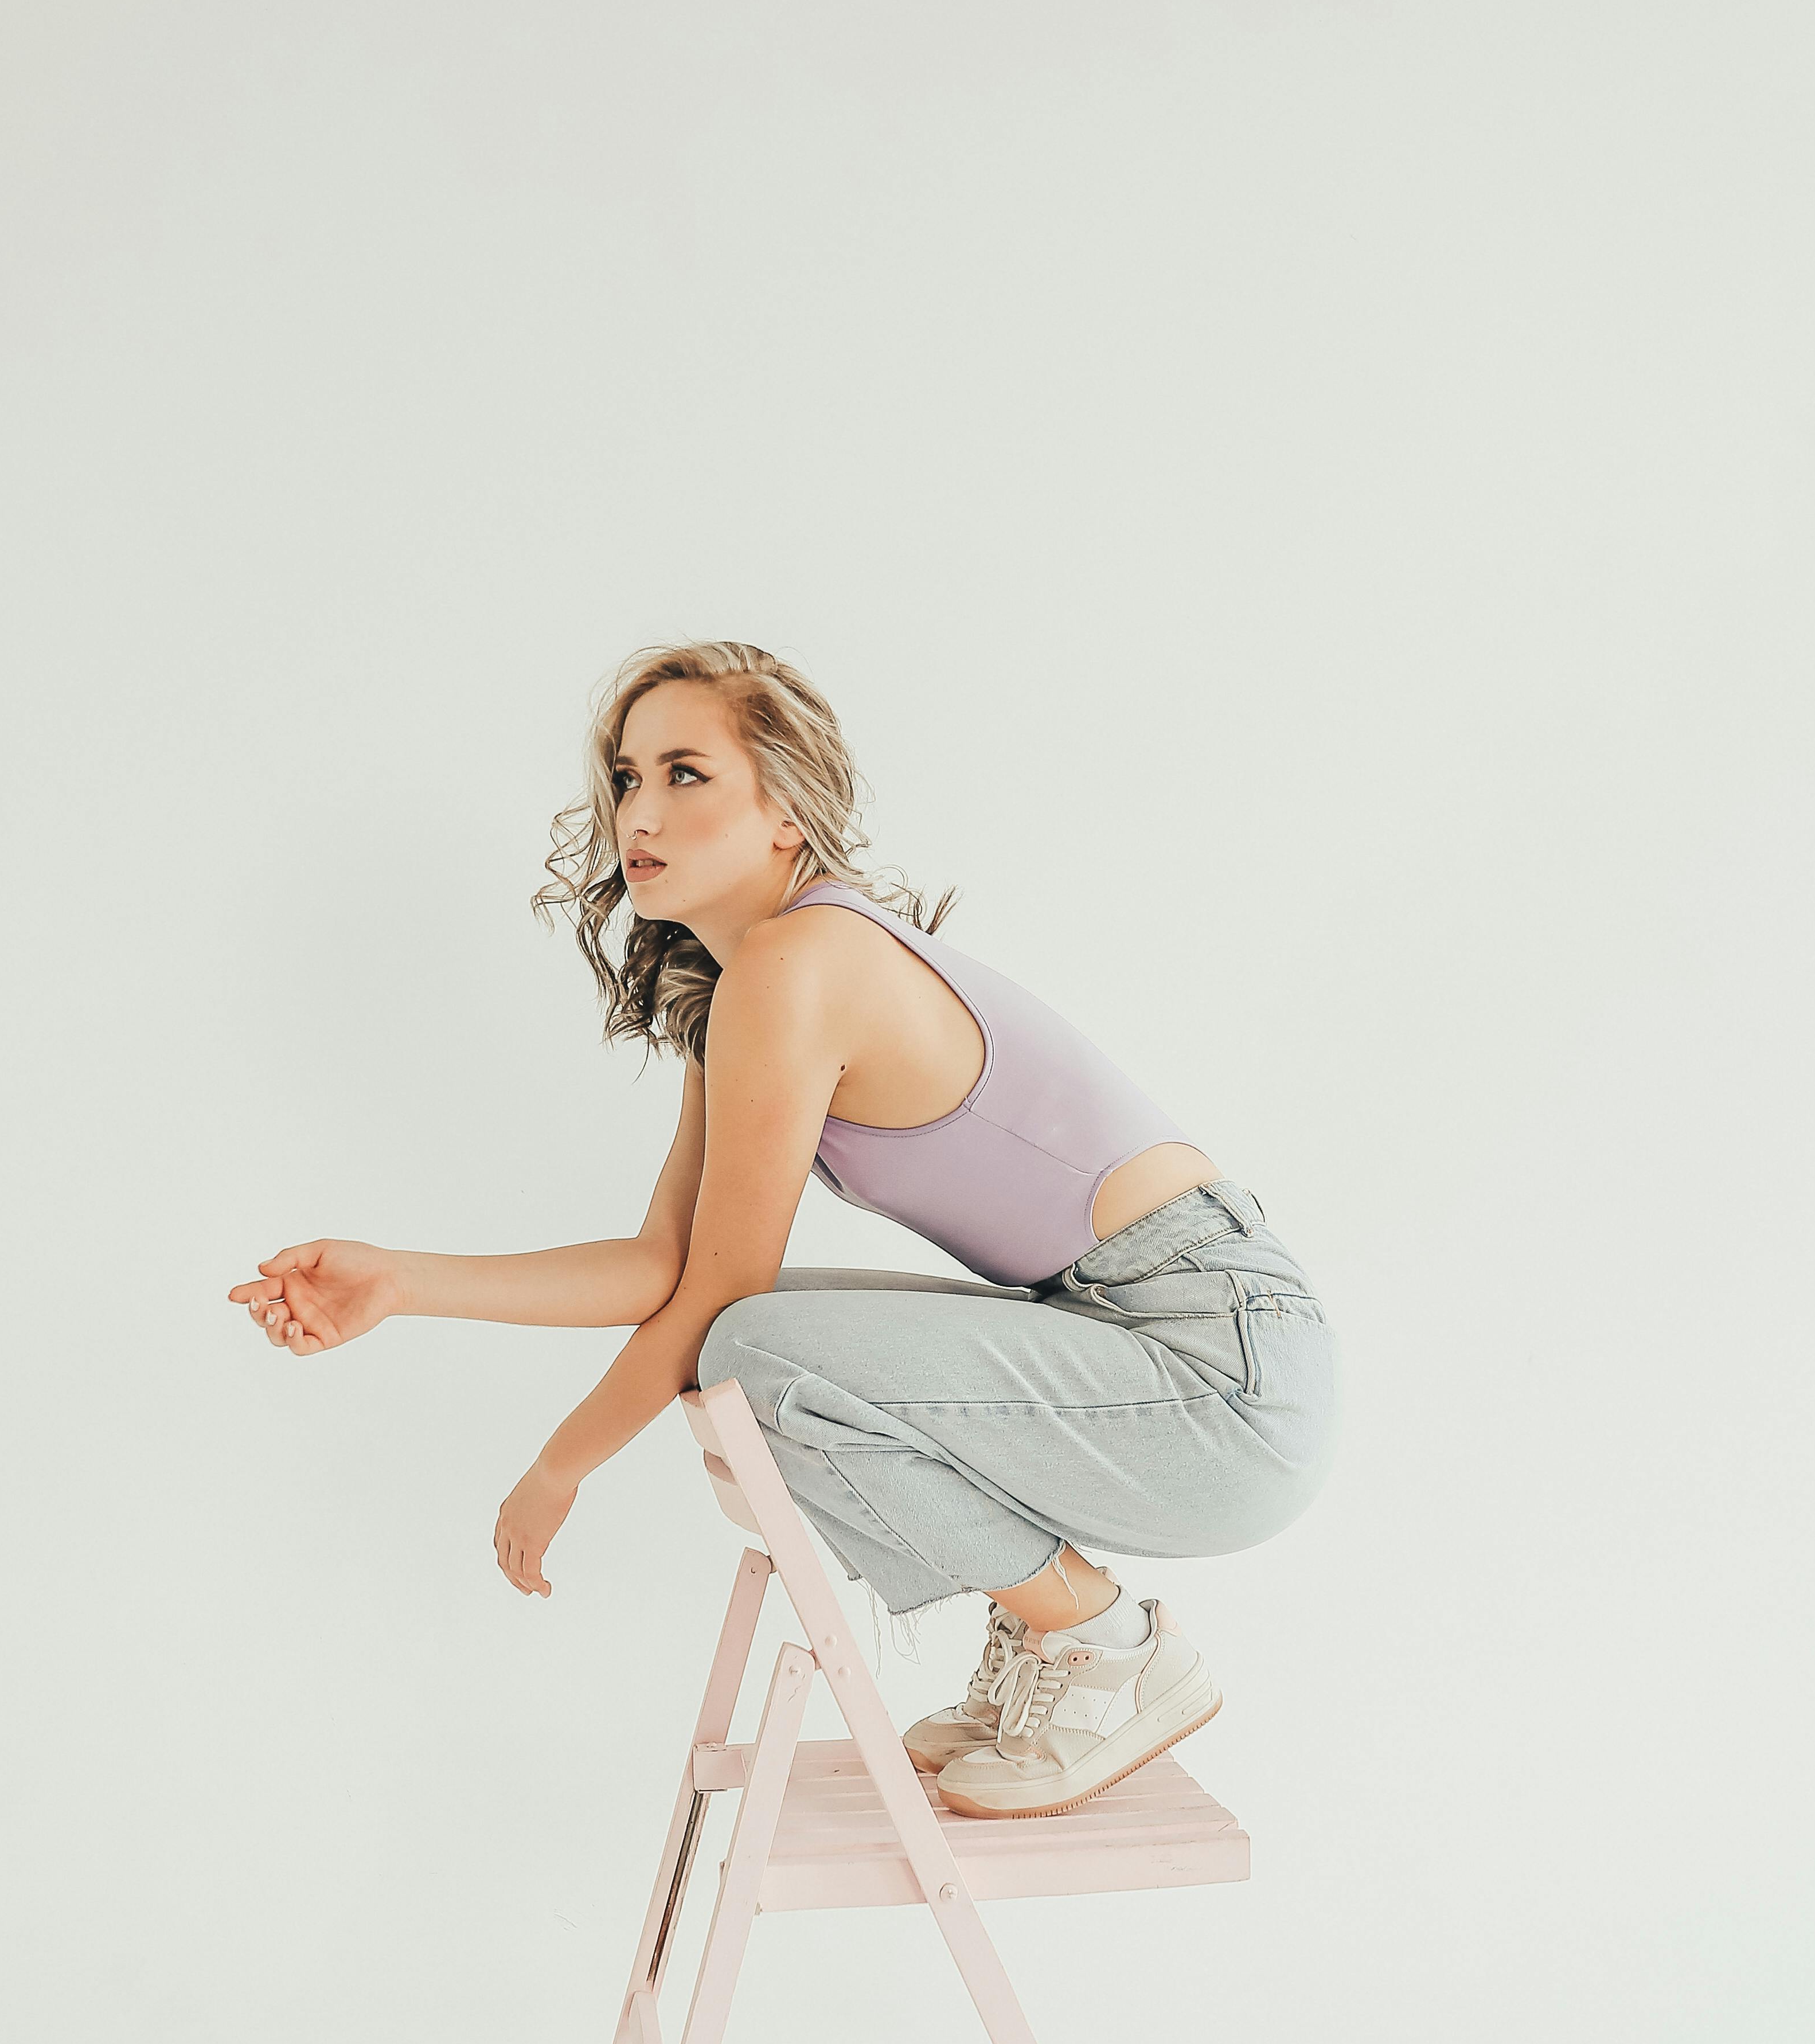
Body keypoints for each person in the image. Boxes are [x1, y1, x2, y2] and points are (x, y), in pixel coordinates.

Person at [228, 639, 1335, 1818]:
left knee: (755, 1352)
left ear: (785, 813)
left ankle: (1106, 1647)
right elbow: (667, 1268)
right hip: (1142, 1339)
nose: (635, 812)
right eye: (624, 776)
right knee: (760, 1340)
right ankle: (1066, 1635)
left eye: (685, 773)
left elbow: (714, 1304)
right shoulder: (751, 988)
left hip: (1216, 1373)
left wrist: (558, 1469)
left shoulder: (800, 966)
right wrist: (400, 1280)